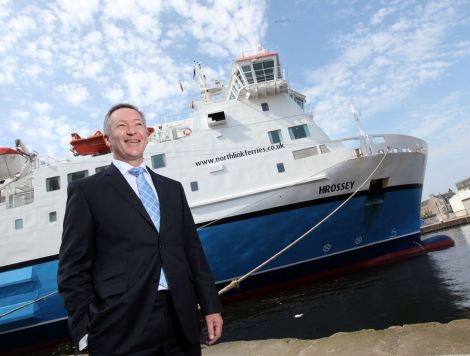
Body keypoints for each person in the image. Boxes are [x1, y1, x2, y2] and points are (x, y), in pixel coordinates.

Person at [58, 103, 223, 355]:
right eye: (121, 126)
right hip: (121, 325)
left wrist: (211, 306)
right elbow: (73, 267)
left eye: (137, 125)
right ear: (107, 138)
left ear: (146, 134)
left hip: (181, 318)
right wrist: (84, 330)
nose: (131, 131)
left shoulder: (172, 189)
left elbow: (193, 252)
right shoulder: (87, 191)